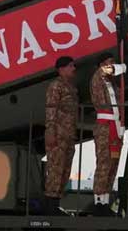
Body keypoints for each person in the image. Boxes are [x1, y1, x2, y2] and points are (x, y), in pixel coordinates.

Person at [89, 52, 126, 216]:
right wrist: (120, 67)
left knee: (113, 164)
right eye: (110, 62)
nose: (112, 65)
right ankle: (98, 202)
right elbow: (104, 71)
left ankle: (105, 201)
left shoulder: (113, 85)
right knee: (104, 163)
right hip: (105, 126)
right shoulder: (98, 78)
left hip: (115, 126)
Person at [44, 56, 78, 216]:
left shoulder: (71, 87)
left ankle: (56, 204)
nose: (74, 69)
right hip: (57, 134)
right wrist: (50, 131)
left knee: (65, 170)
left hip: (68, 135)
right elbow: (51, 109)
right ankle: (51, 206)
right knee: (56, 169)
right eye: (70, 66)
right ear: (61, 68)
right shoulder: (55, 86)